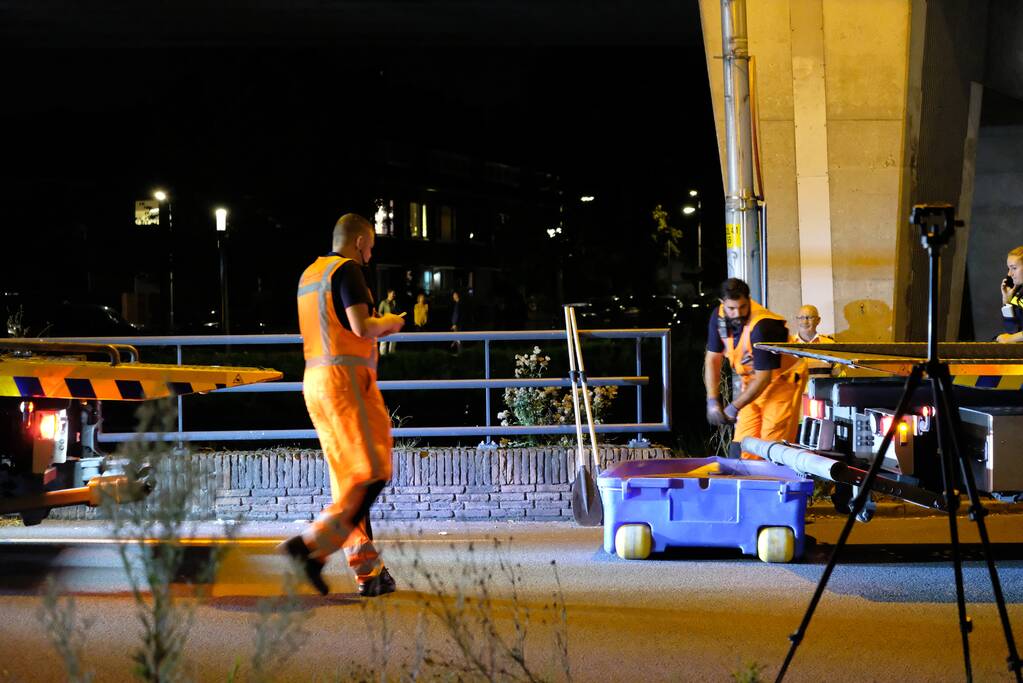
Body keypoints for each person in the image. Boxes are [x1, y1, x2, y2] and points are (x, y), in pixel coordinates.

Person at [280, 213, 405, 597]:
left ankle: (369, 573)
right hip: (346, 384)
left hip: (315, 383)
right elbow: (361, 327)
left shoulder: (309, 276)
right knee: (374, 470)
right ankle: (310, 547)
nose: (370, 255)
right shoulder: (348, 270)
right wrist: (392, 323)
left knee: (350, 482)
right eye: (370, 247)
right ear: (359, 242)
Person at [704, 278, 800, 459]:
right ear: (722, 304)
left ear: (748, 300)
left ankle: (771, 483)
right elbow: (712, 359)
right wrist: (712, 400)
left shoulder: (764, 326)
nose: (738, 313)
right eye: (732, 308)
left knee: (772, 444)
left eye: (742, 307)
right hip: (752, 382)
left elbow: (764, 378)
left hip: (782, 382)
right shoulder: (718, 317)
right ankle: (744, 482)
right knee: (742, 443)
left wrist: (733, 408)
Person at [787, 304, 835, 439]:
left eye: (809, 317)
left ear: (818, 320)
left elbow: (838, 376)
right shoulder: (788, 346)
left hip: (823, 411)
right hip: (796, 411)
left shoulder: (830, 345)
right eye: (801, 318)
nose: (804, 322)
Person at [997, 246, 1023, 343]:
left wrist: (1010, 339)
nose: (1009, 274)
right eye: (1009, 268)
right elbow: (1012, 330)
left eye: (1014, 268)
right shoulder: (1019, 294)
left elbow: (1012, 336)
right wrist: (1007, 302)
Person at [377, 289, 399, 355]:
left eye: (394, 294)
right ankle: (382, 355)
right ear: (389, 294)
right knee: (384, 340)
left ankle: (391, 354)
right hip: (385, 323)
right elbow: (379, 313)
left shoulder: (394, 303)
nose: (394, 295)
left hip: (393, 324)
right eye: (393, 293)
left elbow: (396, 312)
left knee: (393, 339)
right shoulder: (383, 303)